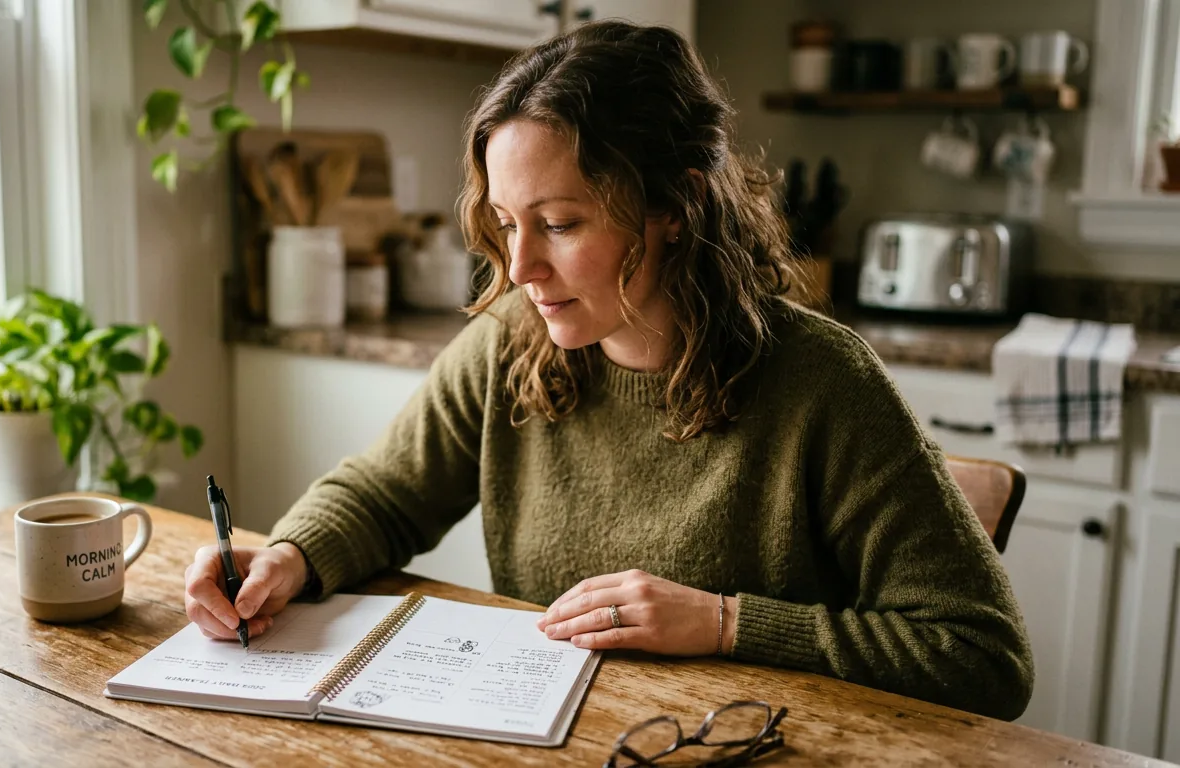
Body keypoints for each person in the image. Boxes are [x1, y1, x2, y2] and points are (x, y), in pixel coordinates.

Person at [185, 20, 1033, 720]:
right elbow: (385, 491)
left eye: (558, 223)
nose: (520, 269)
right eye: (505, 222)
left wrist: (727, 623)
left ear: (673, 206)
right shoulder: (512, 342)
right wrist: (287, 556)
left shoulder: (824, 384)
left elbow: (982, 654)